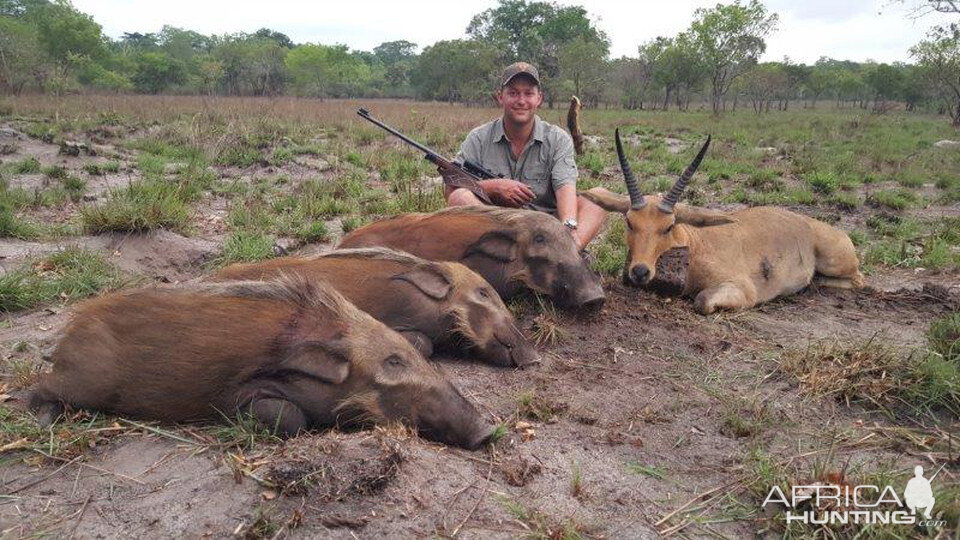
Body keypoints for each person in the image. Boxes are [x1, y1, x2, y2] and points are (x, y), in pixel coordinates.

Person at [443, 62, 606, 251]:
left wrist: (568, 228)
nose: (521, 100)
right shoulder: (478, 138)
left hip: (547, 230)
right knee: (459, 197)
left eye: (528, 93)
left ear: (539, 98)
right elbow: (451, 190)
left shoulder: (557, 139)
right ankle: (506, 253)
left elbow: (566, 189)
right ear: (500, 97)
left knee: (598, 198)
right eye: (513, 93)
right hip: (498, 228)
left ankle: (568, 253)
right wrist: (492, 187)